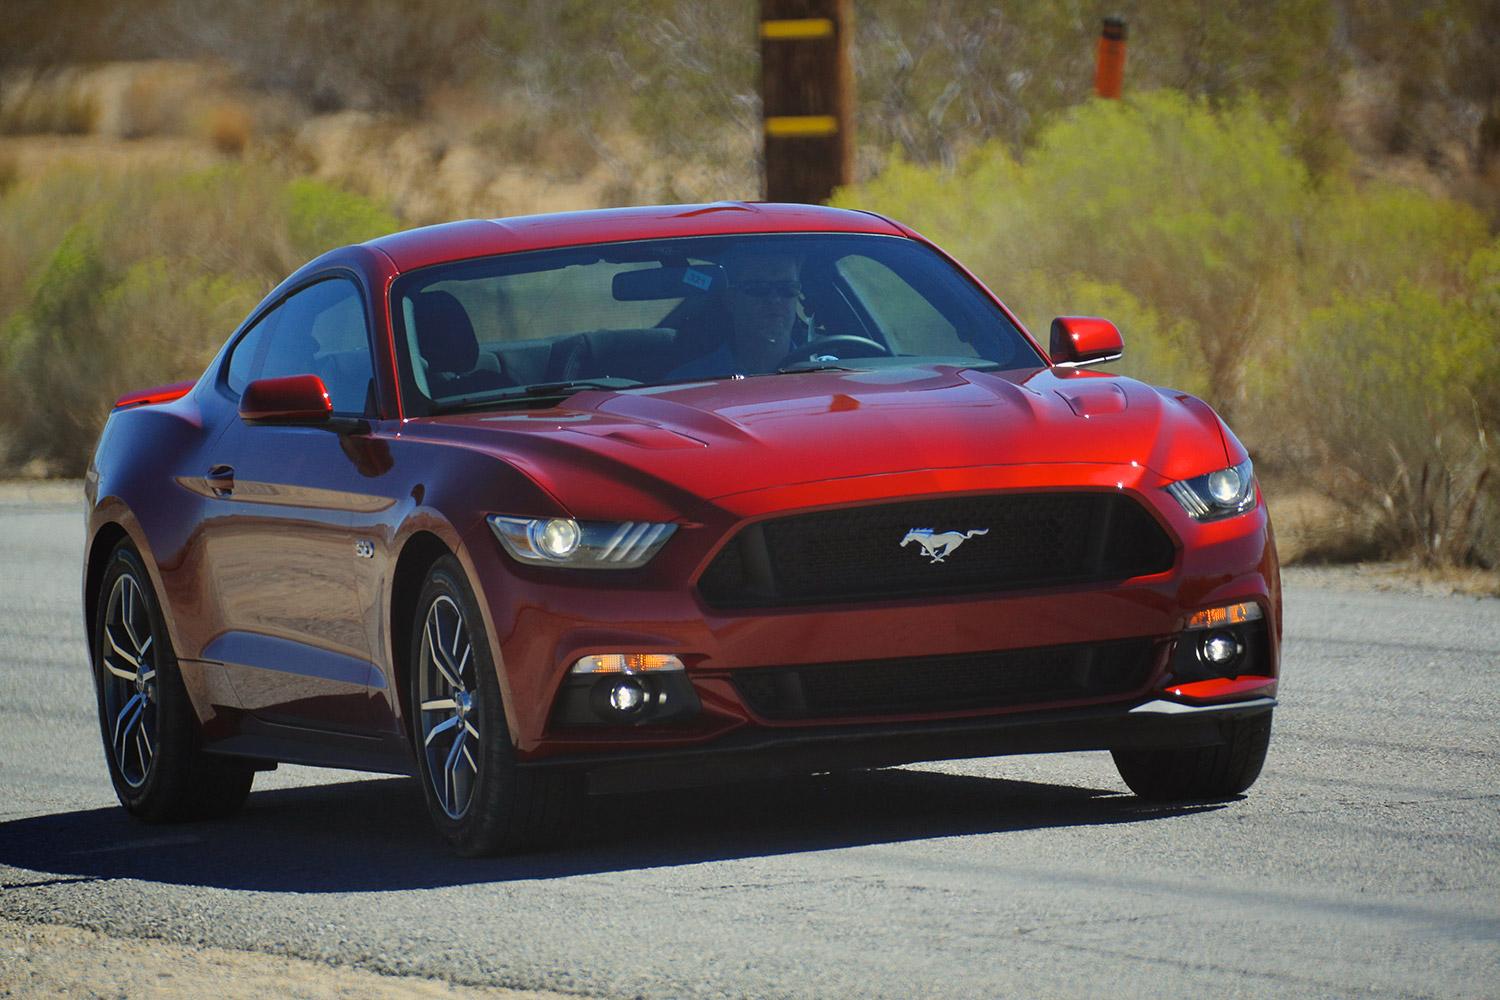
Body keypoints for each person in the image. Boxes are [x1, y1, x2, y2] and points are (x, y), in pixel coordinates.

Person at [665, 249, 803, 380]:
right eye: (758, 288)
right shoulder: (688, 383)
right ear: (730, 299)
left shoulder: (822, 374)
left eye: (787, 289)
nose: (774, 300)